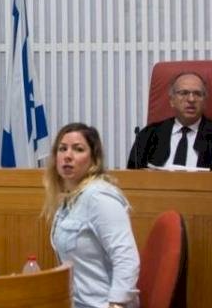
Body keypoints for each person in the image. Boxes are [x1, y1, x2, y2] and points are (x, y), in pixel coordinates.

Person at [42, 123, 139, 308]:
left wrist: (117, 304)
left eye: (78, 149)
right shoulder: (68, 199)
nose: (68, 155)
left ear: (94, 160)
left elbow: (126, 258)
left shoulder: (99, 197)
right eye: (62, 149)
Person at [127, 71, 212, 170]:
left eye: (197, 94)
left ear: (205, 101)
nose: (191, 99)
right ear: (172, 101)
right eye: (184, 93)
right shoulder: (148, 136)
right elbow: (132, 178)